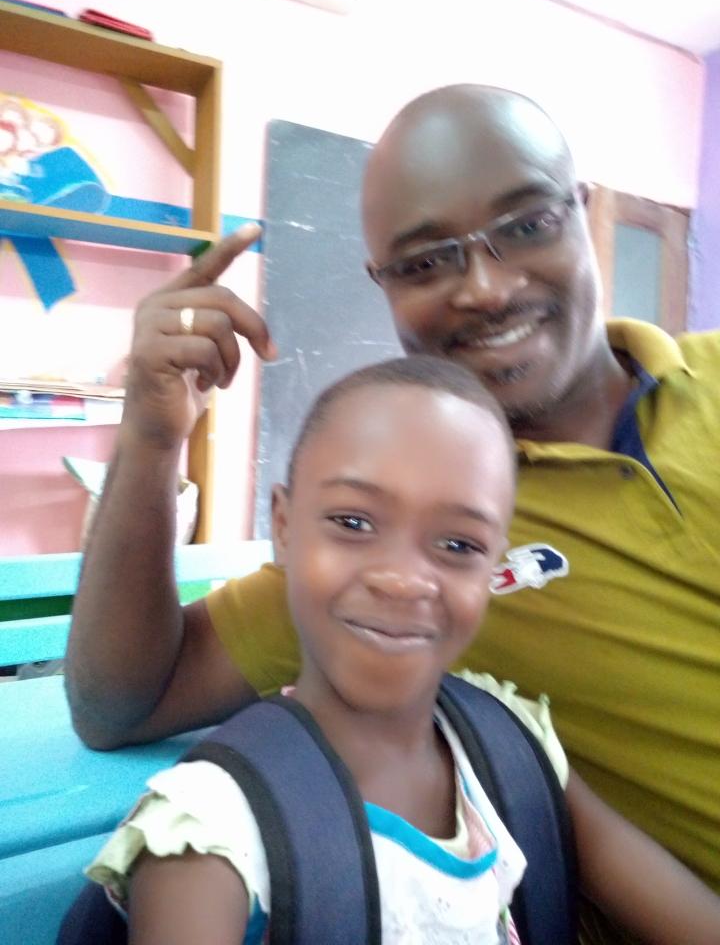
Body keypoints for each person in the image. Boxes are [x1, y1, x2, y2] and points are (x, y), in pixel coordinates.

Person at [65, 84, 720, 934]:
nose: (485, 288)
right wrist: (152, 439)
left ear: (582, 210)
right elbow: (122, 701)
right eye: (423, 262)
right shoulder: (401, 550)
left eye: (526, 224)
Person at [79, 357, 720, 944]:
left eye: (459, 545)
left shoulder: (511, 744)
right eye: (353, 522)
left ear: (497, 568)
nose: (403, 579)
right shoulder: (211, 833)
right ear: (283, 526)